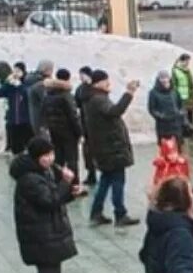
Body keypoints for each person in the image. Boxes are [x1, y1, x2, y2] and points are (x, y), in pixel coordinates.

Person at [10, 136, 79, 273]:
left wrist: (70, 193)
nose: (50, 158)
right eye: (45, 155)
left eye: (51, 154)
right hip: (42, 235)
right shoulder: (30, 178)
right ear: (35, 156)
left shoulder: (39, 172)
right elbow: (49, 200)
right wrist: (66, 183)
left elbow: (54, 198)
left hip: (45, 233)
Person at [83, 70, 142, 227]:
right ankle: (120, 214)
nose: (108, 83)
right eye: (105, 81)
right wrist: (129, 93)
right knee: (117, 180)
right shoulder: (98, 99)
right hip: (110, 148)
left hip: (105, 148)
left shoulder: (94, 98)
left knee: (106, 180)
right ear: (98, 83)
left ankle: (96, 213)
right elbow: (114, 111)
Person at [42, 69, 85, 192]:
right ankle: (74, 185)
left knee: (58, 158)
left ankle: (58, 183)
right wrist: (80, 132)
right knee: (72, 160)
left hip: (54, 132)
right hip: (68, 133)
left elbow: (43, 114)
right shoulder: (66, 95)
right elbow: (73, 116)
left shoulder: (48, 95)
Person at [0, 61, 31, 154]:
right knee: (15, 149)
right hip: (13, 121)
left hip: (26, 121)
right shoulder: (11, 85)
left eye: (19, 71)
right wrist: (8, 83)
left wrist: (19, 85)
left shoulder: (27, 82)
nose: (16, 73)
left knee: (27, 148)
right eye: (15, 70)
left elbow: (28, 95)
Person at [75, 67, 99, 187]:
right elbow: (77, 103)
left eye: (82, 75)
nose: (81, 77)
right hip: (85, 123)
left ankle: (101, 170)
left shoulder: (96, 87)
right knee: (88, 150)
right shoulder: (80, 89)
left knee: (98, 149)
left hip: (97, 123)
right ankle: (91, 173)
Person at [148, 71, 185, 144]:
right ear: (158, 80)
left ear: (169, 79)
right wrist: (161, 116)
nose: (165, 80)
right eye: (162, 78)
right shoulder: (153, 93)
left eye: (166, 78)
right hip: (163, 126)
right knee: (166, 148)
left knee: (178, 147)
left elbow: (181, 105)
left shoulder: (175, 91)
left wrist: (180, 113)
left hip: (176, 124)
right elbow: (152, 109)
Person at [171, 55, 193, 138]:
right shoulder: (176, 71)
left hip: (190, 97)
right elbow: (174, 85)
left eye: (188, 61)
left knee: (190, 116)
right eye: (186, 61)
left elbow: (190, 83)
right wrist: (176, 96)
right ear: (181, 61)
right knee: (183, 117)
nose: (187, 63)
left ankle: (191, 133)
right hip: (181, 97)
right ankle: (184, 134)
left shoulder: (188, 70)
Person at [27, 59, 55, 138]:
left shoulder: (31, 80)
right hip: (41, 118)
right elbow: (47, 100)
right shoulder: (41, 84)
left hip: (34, 116)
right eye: (51, 69)